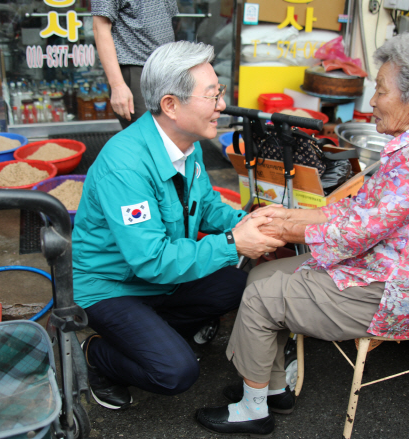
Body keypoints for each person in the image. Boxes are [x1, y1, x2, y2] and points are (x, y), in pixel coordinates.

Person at [196, 33, 409, 436]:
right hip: (379, 267)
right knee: (258, 276)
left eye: (380, 91)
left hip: (395, 293)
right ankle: (271, 389)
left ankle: (252, 411)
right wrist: (291, 215)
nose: (373, 101)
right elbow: (356, 211)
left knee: (259, 296)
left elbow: (354, 233)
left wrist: (282, 224)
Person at [72, 41, 284, 411]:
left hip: (164, 280)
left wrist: (251, 223)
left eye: (219, 93)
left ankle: (153, 332)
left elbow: (205, 209)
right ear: (171, 105)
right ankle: (97, 354)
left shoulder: (187, 143)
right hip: (114, 286)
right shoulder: (126, 166)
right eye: (212, 96)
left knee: (240, 285)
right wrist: (235, 243)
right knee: (174, 372)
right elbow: (151, 260)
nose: (221, 105)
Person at [92, 0, 178, 128]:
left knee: (171, 133)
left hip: (167, 67)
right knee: (148, 135)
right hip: (136, 67)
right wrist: (117, 85)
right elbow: (100, 28)